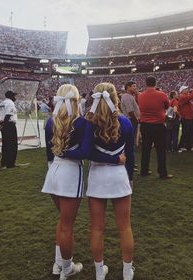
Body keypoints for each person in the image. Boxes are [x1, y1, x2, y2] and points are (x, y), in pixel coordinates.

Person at [86, 82, 135, 280]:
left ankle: (99, 273)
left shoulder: (88, 123)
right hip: (119, 176)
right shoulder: (126, 122)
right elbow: (130, 155)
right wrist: (130, 179)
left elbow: (87, 153)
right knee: (125, 227)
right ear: (115, 98)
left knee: (97, 227)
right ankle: (127, 272)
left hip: (97, 177)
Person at [42, 84, 91, 280]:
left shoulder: (49, 122)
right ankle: (67, 268)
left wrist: (58, 154)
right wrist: (65, 152)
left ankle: (58, 264)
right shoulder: (82, 123)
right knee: (67, 225)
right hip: (70, 173)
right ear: (76, 100)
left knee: (63, 221)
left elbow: (49, 153)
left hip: (53, 171)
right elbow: (85, 152)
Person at [138, 76, 173, 179]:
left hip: (145, 125)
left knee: (145, 149)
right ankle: (162, 173)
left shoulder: (140, 96)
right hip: (158, 125)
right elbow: (167, 106)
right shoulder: (162, 95)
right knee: (161, 150)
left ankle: (144, 170)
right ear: (155, 83)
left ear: (146, 83)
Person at [121, 81, 140, 171]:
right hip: (131, 121)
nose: (135, 88)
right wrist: (137, 120)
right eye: (133, 86)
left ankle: (130, 162)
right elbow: (130, 111)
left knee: (130, 144)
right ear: (128, 87)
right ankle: (129, 163)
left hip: (130, 120)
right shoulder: (127, 97)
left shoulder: (129, 96)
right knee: (130, 144)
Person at [178, 85, 193, 152]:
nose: (187, 89)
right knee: (186, 132)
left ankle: (189, 146)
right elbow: (191, 96)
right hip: (186, 118)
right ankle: (181, 146)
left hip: (190, 117)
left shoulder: (187, 96)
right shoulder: (182, 96)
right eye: (185, 89)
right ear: (182, 91)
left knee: (191, 132)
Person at [0, 90, 18, 169]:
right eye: (14, 96)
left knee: (5, 144)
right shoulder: (10, 103)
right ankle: (10, 164)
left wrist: (1, 125)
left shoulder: (1, 103)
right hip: (9, 125)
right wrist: (4, 125)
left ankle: (4, 163)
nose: (15, 98)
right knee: (12, 145)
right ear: (11, 96)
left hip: (4, 125)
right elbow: (8, 115)